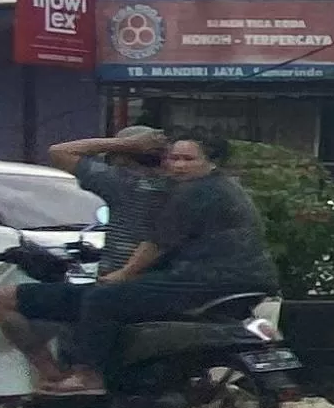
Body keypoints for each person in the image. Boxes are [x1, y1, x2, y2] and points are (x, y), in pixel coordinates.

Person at [45, 133, 278, 393]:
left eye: (188, 159)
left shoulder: (195, 192)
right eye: (174, 158)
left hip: (206, 279)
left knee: (101, 300)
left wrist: (122, 274)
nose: (178, 165)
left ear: (212, 162)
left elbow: (157, 245)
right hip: (246, 279)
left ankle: (89, 376)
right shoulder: (224, 186)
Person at [0, 124, 167, 370]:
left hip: (119, 291)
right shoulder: (175, 187)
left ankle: (51, 377)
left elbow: (60, 152)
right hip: (154, 287)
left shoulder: (124, 183)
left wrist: (123, 144)